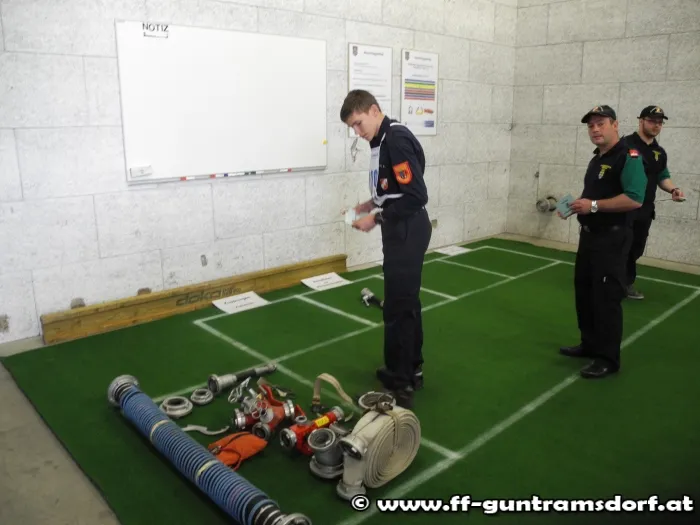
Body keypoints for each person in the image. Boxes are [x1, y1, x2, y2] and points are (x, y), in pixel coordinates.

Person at [339, 89, 431, 408]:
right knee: (405, 304)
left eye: (358, 123)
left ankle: (401, 382)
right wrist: (368, 205)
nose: (357, 132)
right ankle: (411, 369)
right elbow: (392, 188)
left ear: (375, 111)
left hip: (406, 229)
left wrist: (376, 218)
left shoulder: (395, 139)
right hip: (401, 228)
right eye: (352, 127)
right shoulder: (381, 141)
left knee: (398, 307)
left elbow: (416, 195)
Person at [558, 105, 647, 379]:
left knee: (607, 298)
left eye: (601, 124)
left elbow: (634, 198)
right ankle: (590, 344)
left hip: (612, 239)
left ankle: (608, 358)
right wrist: (578, 205)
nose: (595, 129)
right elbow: (594, 195)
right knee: (585, 293)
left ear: (615, 125)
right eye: (591, 126)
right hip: (590, 237)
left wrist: (594, 205)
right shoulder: (598, 157)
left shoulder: (629, 156)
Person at [624, 106, 685, 299]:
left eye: (660, 122)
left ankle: (623, 282)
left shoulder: (659, 152)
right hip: (623, 208)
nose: (656, 125)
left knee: (636, 248)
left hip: (645, 210)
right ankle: (613, 282)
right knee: (619, 246)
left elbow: (662, 176)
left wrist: (673, 190)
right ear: (641, 121)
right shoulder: (624, 145)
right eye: (652, 121)